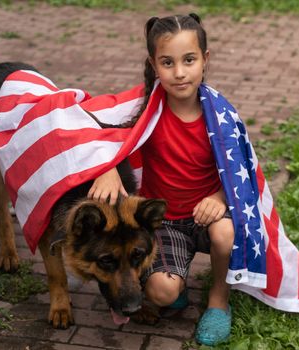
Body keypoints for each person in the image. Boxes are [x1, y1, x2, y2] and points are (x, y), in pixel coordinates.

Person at [87, 14, 234, 346]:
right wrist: (106, 166)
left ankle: (219, 300)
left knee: (225, 232)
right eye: (168, 62)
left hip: (208, 216)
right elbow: (91, 128)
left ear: (205, 60)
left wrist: (220, 198)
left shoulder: (221, 115)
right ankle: (175, 285)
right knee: (163, 293)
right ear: (154, 65)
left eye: (189, 60)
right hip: (163, 223)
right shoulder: (143, 111)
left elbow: (242, 172)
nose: (179, 72)